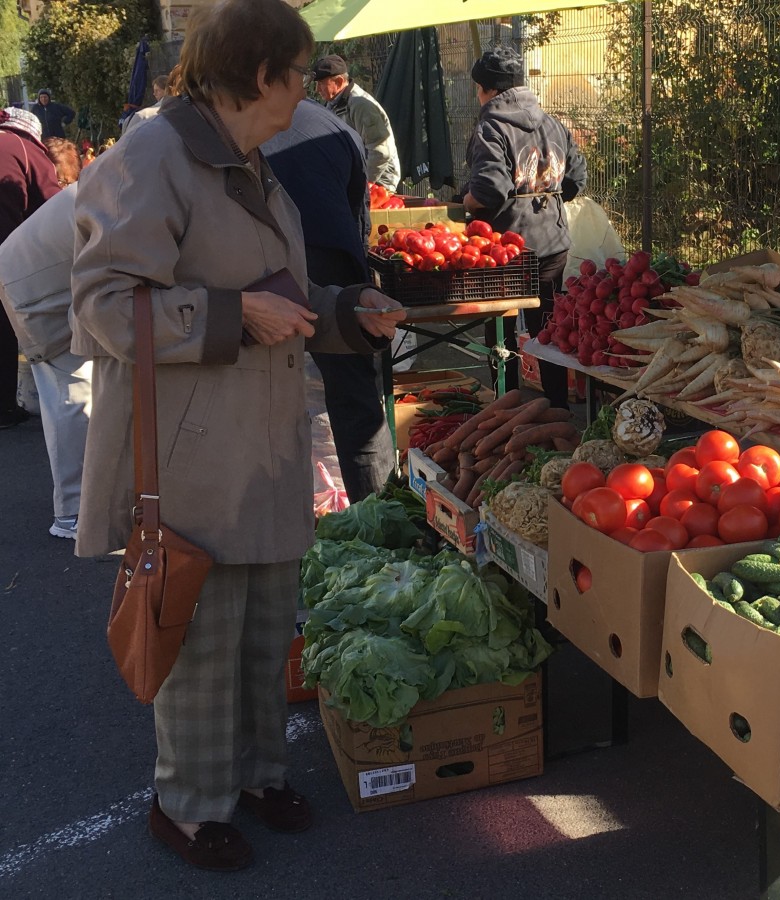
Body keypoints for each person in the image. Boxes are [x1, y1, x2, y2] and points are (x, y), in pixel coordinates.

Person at [69, 0, 404, 872]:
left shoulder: (251, 158)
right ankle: (186, 805)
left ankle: (255, 775)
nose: (310, 89)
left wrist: (343, 313)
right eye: (299, 72)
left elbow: (274, 295)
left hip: (258, 444)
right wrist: (229, 314)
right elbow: (103, 305)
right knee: (202, 639)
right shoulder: (152, 156)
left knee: (262, 629)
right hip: (189, 452)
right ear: (262, 75)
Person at [262, 99, 396, 501]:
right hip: (333, 256)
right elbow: (361, 219)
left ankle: (292, 506)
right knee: (355, 397)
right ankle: (380, 510)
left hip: (270, 263)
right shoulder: (335, 126)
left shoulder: (242, 125)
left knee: (267, 385)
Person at [463, 46, 587, 408]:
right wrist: (544, 197)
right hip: (552, 244)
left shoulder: (491, 126)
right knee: (546, 330)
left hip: (506, 248)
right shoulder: (551, 123)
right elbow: (576, 180)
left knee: (499, 326)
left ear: (485, 90)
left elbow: (488, 190)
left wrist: (465, 201)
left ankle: (507, 409)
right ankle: (557, 410)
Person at [0, 185, 91, 539]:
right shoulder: (128, 188)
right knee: (72, 398)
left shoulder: (116, 177)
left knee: (74, 394)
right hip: (36, 290)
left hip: (37, 278)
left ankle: (83, 506)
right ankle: (73, 512)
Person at [0, 106, 62, 429]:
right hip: (5, 251)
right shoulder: (25, 149)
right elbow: (55, 206)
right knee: (4, 326)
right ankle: (4, 408)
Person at [309, 54, 401, 191]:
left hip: (379, 183)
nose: (317, 90)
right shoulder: (334, 104)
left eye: (321, 84)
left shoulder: (360, 105)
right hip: (356, 179)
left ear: (339, 82)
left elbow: (380, 152)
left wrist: (362, 185)